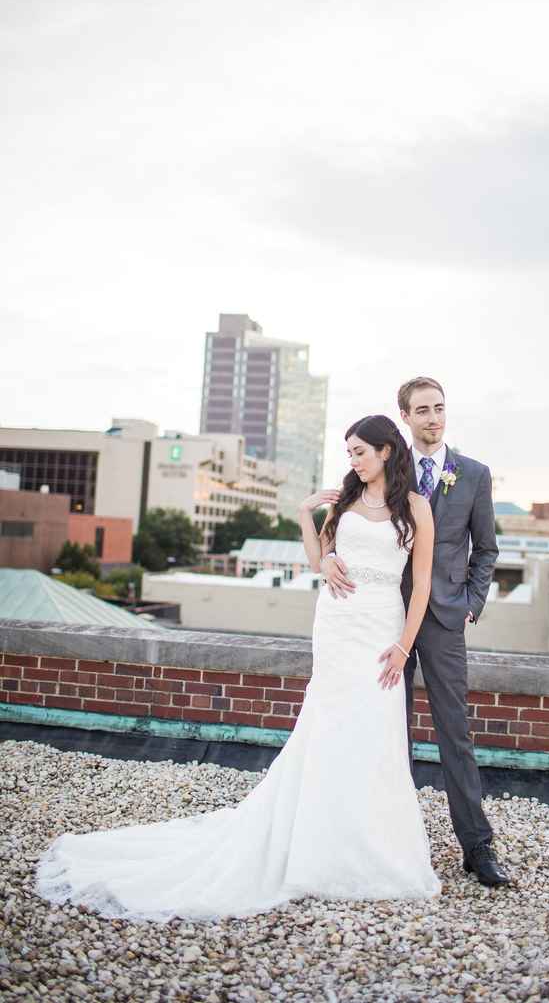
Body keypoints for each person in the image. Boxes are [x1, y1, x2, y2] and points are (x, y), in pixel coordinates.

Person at [33, 415, 441, 923]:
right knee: (329, 725)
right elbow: (319, 560)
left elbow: (422, 583)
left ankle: (373, 846)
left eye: (360, 451)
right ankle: (316, 843)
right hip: (338, 625)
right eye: (349, 453)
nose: (353, 461)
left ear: (386, 451)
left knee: (376, 730)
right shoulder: (345, 501)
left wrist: (403, 647)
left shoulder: (417, 507)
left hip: (383, 629)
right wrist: (306, 518)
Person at [321, 378, 510, 888]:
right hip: (384, 618)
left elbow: (486, 549)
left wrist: (471, 605)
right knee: (388, 730)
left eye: (439, 408)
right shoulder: (383, 467)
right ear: (404, 416)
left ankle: (477, 846)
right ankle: (389, 840)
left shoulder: (474, 474)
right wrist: (329, 557)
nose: (434, 417)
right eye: (422, 410)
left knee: (455, 733)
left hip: (444, 619)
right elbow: (345, 524)